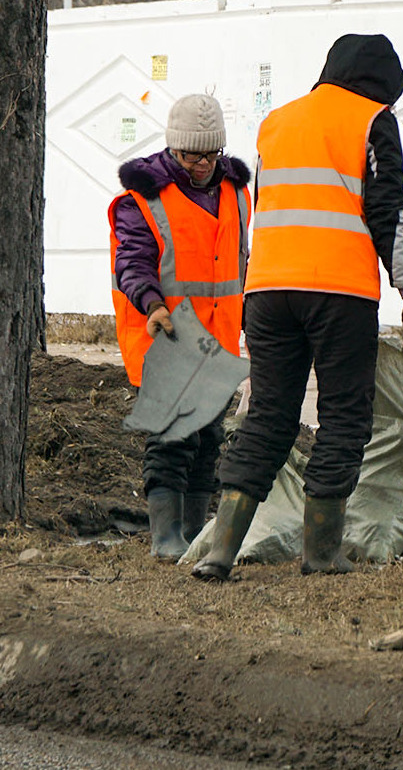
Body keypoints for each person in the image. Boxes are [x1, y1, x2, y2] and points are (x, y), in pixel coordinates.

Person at [191, 33, 403, 582]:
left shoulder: (278, 122)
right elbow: (390, 213)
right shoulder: (371, 121)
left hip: (268, 290)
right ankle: (321, 553)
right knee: (345, 417)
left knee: (269, 416)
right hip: (339, 293)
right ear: (381, 86)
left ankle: (220, 551)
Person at [109, 93, 252, 560]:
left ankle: (193, 531)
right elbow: (131, 262)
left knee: (208, 436)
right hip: (165, 335)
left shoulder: (236, 193)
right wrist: (152, 305)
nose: (203, 165)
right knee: (172, 436)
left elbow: (243, 262)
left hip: (217, 339)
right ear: (174, 150)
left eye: (212, 155)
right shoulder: (142, 198)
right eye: (193, 156)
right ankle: (165, 537)